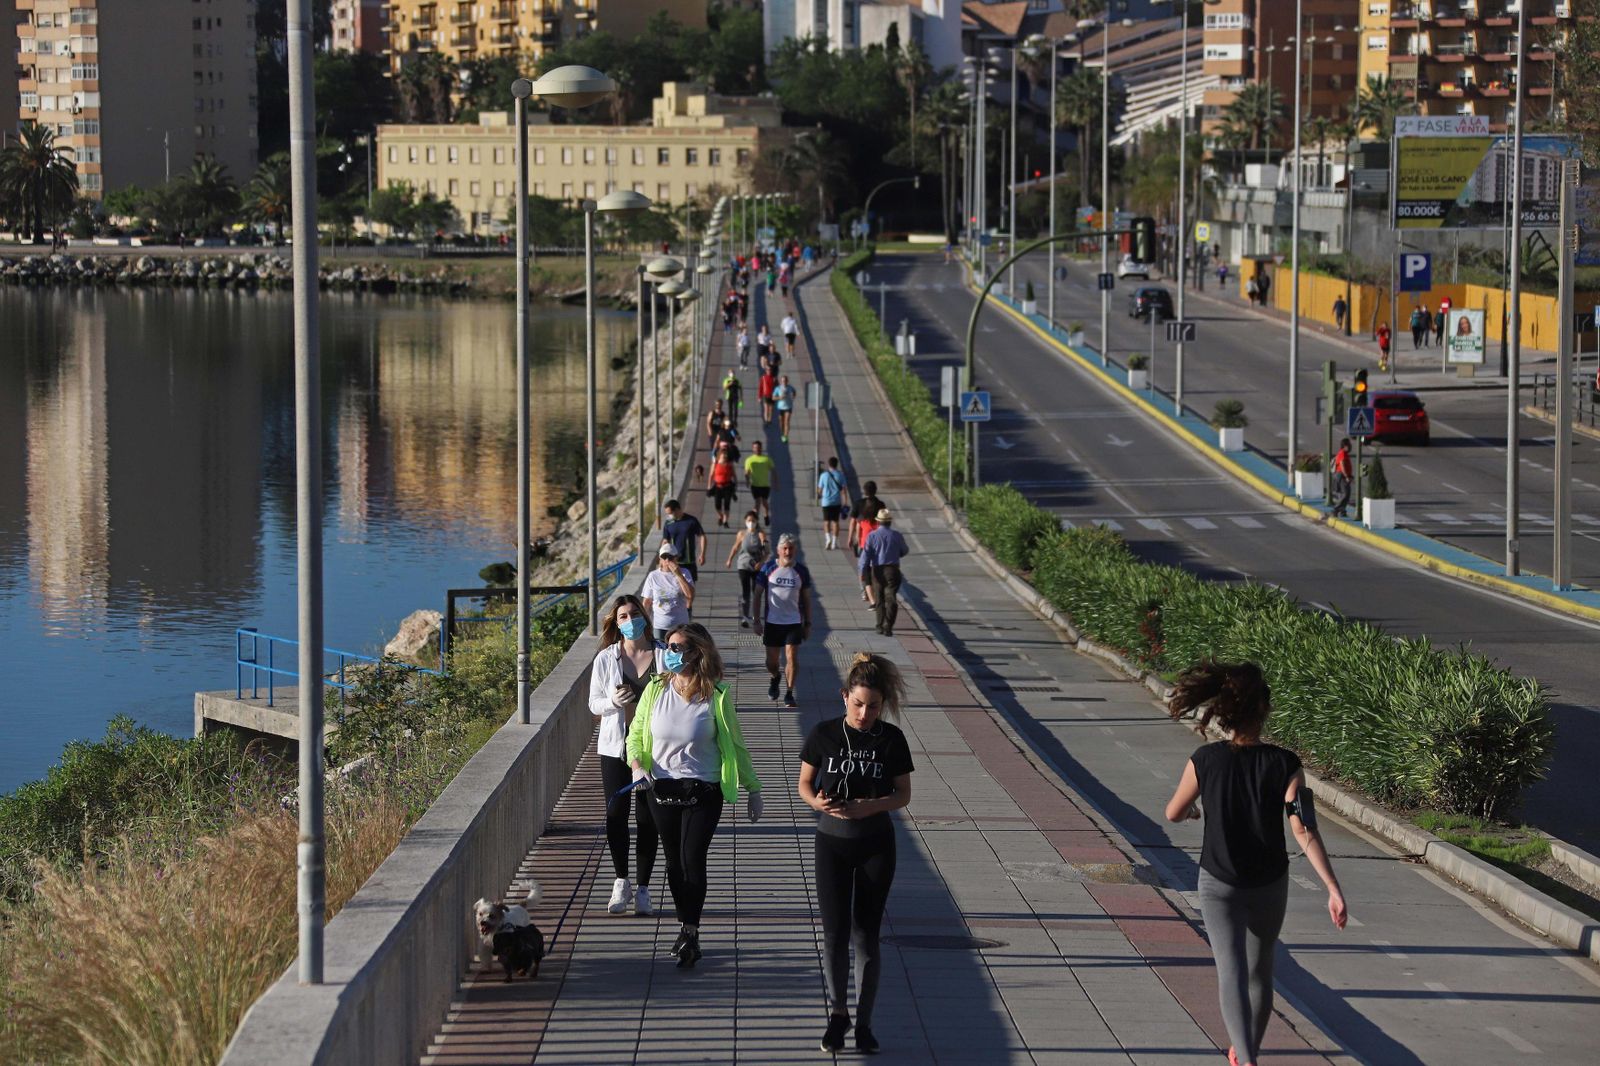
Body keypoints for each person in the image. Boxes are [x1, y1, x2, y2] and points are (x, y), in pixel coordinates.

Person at [1162, 661, 1347, 1066]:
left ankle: (1244, 1060)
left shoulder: (1204, 760)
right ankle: (1248, 1052)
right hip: (1269, 881)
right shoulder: (1285, 764)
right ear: (1264, 710)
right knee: (1261, 971)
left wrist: (1195, 811)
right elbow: (1304, 830)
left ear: (1225, 712)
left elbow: (1173, 812)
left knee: (1230, 971)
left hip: (1218, 881)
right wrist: (1332, 888)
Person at [627, 623, 763, 969]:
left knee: (692, 858)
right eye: (669, 645)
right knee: (673, 863)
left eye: (678, 647)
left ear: (697, 652)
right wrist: (636, 765)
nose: (670, 652)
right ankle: (684, 926)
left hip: (704, 789)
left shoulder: (715, 695)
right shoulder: (656, 689)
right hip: (661, 787)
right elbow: (636, 734)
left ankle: (691, 929)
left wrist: (753, 788)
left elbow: (735, 745)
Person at [798, 652, 916, 1055]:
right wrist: (818, 803)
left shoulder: (891, 740)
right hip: (831, 842)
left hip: (875, 844)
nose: (865, 713)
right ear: (844, 696)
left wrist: (871, 806)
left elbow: (903, 794)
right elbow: (804, 785)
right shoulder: (823, 734)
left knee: (866, 935)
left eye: (874, 706)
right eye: (859, 703)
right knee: (834, 934)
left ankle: (864, 1023)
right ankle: (837, 1015)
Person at [588, 595, 662, 916]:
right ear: (616, 624)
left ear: (644, 616)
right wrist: (613, 703)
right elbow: (594, 703)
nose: (630, 620)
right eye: (623, 617)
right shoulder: (606, 659)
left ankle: (644, 888)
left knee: (648, 818)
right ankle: (621, 880)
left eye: (634, 614)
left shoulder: (662, 657)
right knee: (616, 814)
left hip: (653, 750)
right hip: (615, 748)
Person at [754, 533, 812, 708]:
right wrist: (756, 620)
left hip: (793, 622)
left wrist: (808, 623)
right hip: (772, 622)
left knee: (791, 657)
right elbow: (757, 595)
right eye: (784, 548)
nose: (788, 551)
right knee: (771, 662)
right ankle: (775, 677)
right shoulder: (768, 568)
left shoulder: (801, 571)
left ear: (795, 550)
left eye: (791, 548)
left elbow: (807, 599)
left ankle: (788, 692)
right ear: (778, 550)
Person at [859, 509, 909, 636]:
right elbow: (904, 550)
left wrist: (863, 571)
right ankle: (888, 626)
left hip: (877, 570)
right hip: (893, 570)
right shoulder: (897, 535)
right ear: (889, 522)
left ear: (878, 521)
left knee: (879, 598)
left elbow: (865, 556)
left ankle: (879, 625)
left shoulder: (872, 536)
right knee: (891, 597)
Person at [725, 510, 769, 627]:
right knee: (745, 590)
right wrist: (729, 559)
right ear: (745, 521)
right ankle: (745, 616)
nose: (751, 523)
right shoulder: (742, 534)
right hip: (743, 565)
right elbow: (735, 547)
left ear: (756, 521)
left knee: (756, 591)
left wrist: (761, 562)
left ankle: (756, 615)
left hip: (756, 566)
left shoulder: (761, 534)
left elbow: (767, 552)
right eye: (749, 521)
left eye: (753, 521)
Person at [642, 542, 695, 640]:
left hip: (680, 625)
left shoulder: (684, 573)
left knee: (679, 653)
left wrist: (678, 574)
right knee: (660, 653)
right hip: (659, 626)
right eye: (664, 557)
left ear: (676, 558)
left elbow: (690, 596)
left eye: (670, 557)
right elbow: (647, 602)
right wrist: (644, 623)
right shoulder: (653, 576)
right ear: (660, 559)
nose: (667, 560)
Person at [661, 499, 707, 582]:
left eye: (670, 513)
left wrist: (702, 554)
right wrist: (662, 558)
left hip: (689, 561)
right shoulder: (668, 523)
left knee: (690, 587)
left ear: (678, 509)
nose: (669, 516)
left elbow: (702, 536)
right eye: (667, 514)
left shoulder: (691, 521)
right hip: (673, 561)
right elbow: (665, 541)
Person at [816, 456, 849, 550]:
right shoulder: (841, 475)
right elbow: (843, 490)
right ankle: (834, 542)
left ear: (829, 464)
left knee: (826, 522)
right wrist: (845, 502)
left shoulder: (823, 475)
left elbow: (819, 490)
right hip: (836, 502)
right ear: (836, 464)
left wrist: (820, 495)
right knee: (835, 522)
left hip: (826, 502)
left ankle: (828, 539)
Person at [743, 439, 778, 526]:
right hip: (755, 485)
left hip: (765, 485)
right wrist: (747, 481)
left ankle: (766, 515)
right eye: (755, 448)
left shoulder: (766, 459)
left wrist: (775, 482)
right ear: (752, 449)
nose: (757, 449)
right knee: (757, 502)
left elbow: (773, 471)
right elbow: (747, 472)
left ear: (761, 448)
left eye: (758, 447)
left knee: (765, 502)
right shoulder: (749, 460)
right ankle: (755, 519)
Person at [707, 447, 739, 527]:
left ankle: (725, 521)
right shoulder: (715, 464)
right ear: (719, 456)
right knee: (717, 505)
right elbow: (711, 476)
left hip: (727, 487)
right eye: (723, 455)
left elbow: (734, 476)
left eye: (726, 455)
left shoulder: (730, 465)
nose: (724, 457)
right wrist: (709, 487)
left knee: (727, 505)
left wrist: (735, 486)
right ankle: (721, 516)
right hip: (718, 487)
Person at [1330, 437, 1353, 518]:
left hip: (1344, 475)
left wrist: (1350, 476)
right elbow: (1342, 465)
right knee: (1345, 493)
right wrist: (1346, 476)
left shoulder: (1345, 454)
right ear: (1345, 446)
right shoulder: (1342, 453)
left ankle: (1342, 510)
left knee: (1347, 493)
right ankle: (1335, 509)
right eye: (1349, 445)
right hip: (1341, 475)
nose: (1350, 446)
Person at [773, 374, 797, 443]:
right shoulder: (778, 388)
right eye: (783, 381)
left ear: (787, 381)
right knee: (781, 422)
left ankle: (785, 436)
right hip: (780, 407)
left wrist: (793, 396)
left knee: (787, 421)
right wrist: (780, 398)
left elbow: (794, 392)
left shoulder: (790, 387)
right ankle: (782, 434)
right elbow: (773, 397)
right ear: (781, 381)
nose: (784, 382)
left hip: (788, 407)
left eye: (785, 381)